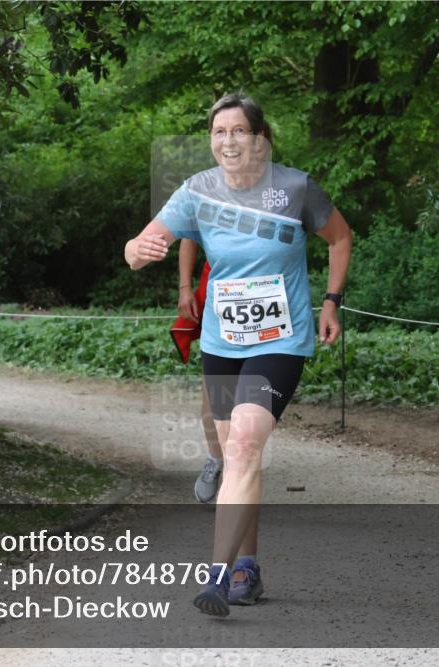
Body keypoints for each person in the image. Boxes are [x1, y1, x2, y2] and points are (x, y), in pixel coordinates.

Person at [124, 92, 352, 616]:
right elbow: (137, 248)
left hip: (280, 341)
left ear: (259, 137)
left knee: (247, 442)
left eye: (238, 131)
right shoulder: (196, 192)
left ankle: (218, 577)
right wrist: (140, 251)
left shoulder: (295, 188)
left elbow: (340, 239)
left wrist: (331, 303)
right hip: (222, 344)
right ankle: (247, 564)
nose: (228, 141)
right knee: (236, 458)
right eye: (218, 132)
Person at [169, 241, 222, 503]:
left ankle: (242, 468)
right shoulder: (206, 198)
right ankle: (215, 458)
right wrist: (185, 287)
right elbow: (189, 237)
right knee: (213, 394)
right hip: (218, 290)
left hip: (264, 290)